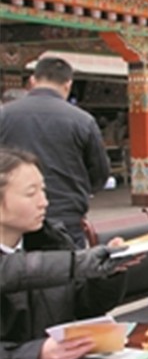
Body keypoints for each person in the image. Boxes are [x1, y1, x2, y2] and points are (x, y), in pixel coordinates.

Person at [0, 147, 131, 359]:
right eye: (31, 194)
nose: (44, 202)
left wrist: (108, 274)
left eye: (43, 190)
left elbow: (85, 306)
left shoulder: (50, 240)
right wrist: (35, 355)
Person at [0, 57, 110, 247]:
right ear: (68, 84)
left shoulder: (4, 115)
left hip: (15, 221)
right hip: (66, 214)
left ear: (32, 81)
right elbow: (99, 171)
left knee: (16, 264)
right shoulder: (83, 120)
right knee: (69, 263)